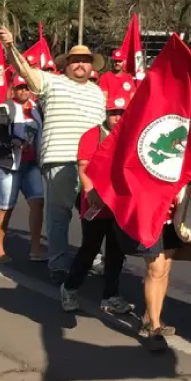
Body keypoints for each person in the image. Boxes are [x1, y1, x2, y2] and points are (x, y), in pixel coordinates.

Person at [0, 27, 106, 284]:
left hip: (93, 164)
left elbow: (104, 130)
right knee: (59, 217)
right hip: (60, 159)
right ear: (66, 65)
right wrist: (10, 47)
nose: (80, 64)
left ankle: (95, 259)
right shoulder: (51, 82)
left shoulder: (98, 94)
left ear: (92, 67)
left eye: (85, 61)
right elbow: (25, 71)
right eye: (75, 60)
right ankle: (58, 264)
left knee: (96, 215)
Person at [60, 95, 133, 315]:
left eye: (121, 113)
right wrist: (90, 190)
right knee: (90, 249)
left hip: (119, 205)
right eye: (113, 113)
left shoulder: (131, 135)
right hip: (97, 203)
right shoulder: (93, 135)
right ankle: (70, 288)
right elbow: (84, 166)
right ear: (106, 113)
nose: (117, 117)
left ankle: (111, 295)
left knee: (116, 251)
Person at [0, 76, 46, 263]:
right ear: (13, 89)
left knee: (37, 203)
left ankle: (35, 248)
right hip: (8, 165)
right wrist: (13, 141)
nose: (23, 91)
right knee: (7, 207)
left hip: (31, 165)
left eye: (26, 88)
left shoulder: (36, 109)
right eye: (19, 88)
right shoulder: (5, 108)